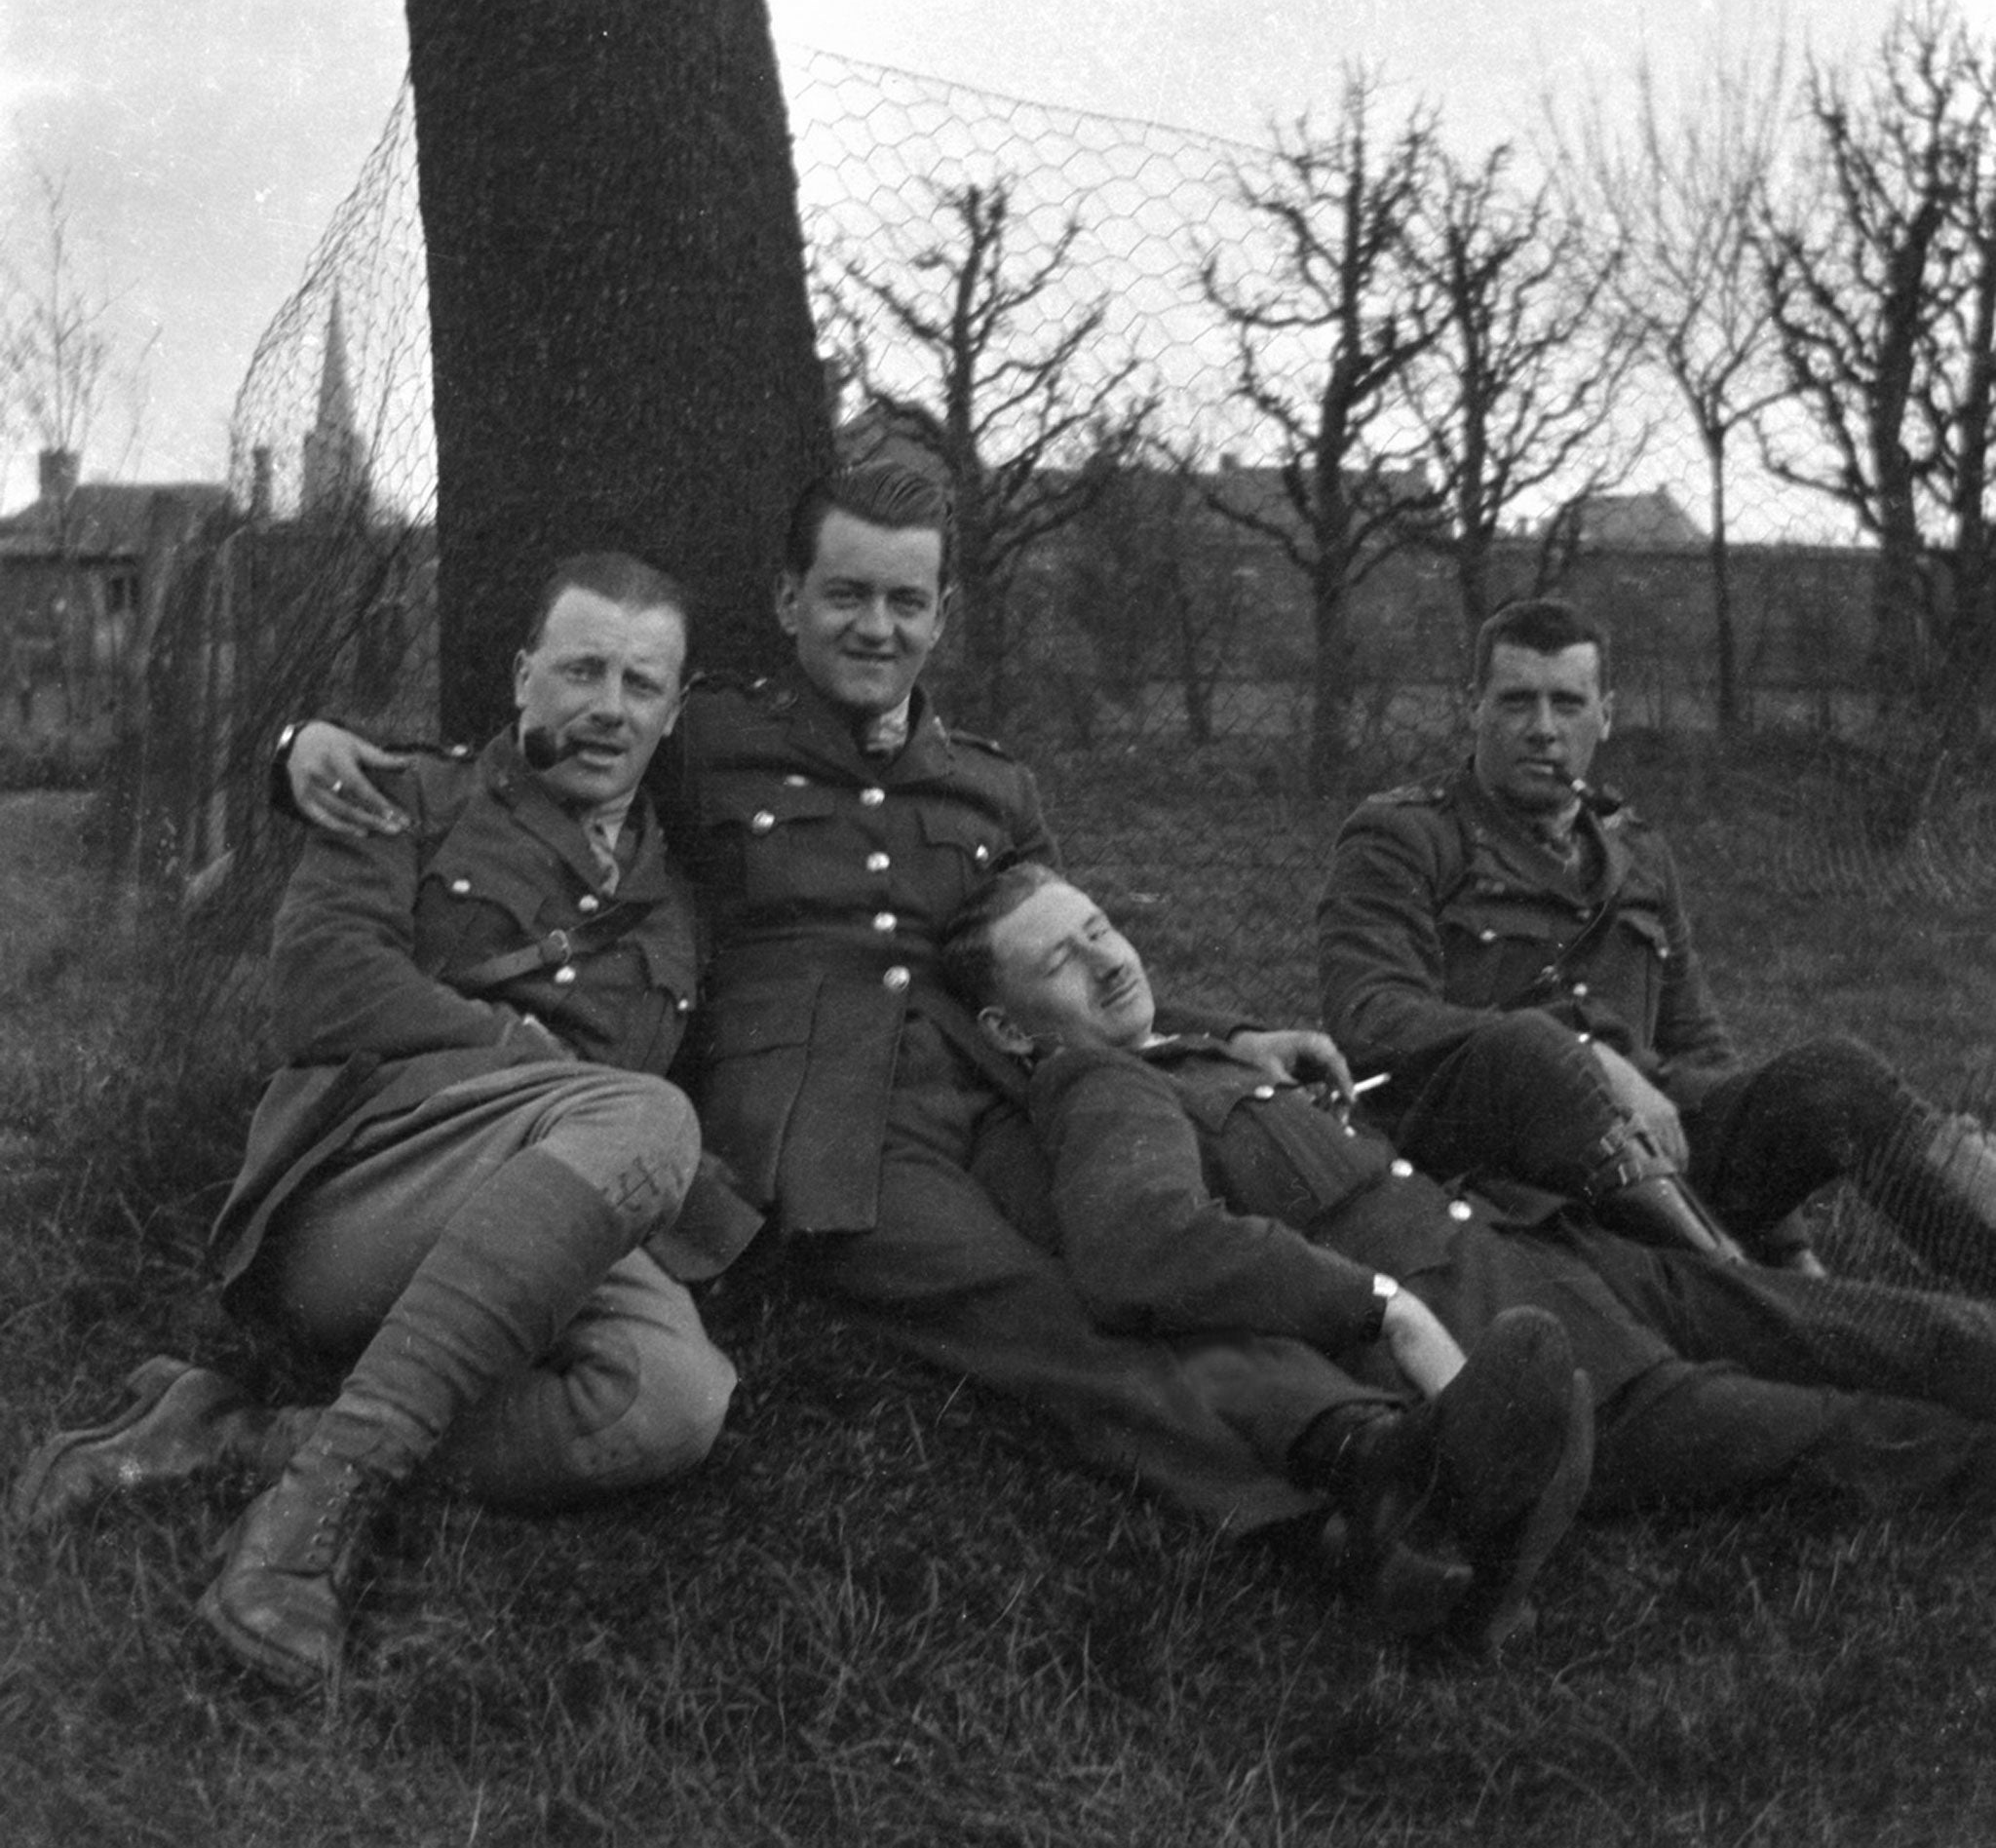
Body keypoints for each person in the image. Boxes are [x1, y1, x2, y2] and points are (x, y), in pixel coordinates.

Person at [248, 464, 1588, 1638]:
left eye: (905, 602)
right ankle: (1351, 1466)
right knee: (1037, 1306)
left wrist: (1215, 1037)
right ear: (787, 604)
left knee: (1125, 1259)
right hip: (820, 1123)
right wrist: (299, 744)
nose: (874, 628)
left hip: (997, 1082)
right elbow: (535, 755)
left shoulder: (996, 786)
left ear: (944, 614)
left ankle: (1398, 1474)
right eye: (846, 596)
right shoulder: (700, 735)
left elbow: (1061, 944)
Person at [13, 554, 750, 1689]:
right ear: (521, 676)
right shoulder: (400, 795)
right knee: (647, 1114)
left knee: (672, 1404)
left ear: (671, 707)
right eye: (582, 668)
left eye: (640, 684)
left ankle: (228, 1434)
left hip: (558, 1207)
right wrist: (514, 1052)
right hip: (366, 1190)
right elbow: (322, 988)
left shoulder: (677, 902)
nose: (609, 706)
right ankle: (307, 1526)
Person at [944, 862, 1996, 1622]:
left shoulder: (1190, 1050)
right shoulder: (1097, 1087)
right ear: (1008, 1030)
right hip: (1539, 1360)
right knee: (1877, 1431)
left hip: (1578, 1262)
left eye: (1096, 926)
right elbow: (1141, 1244)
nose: (1103, 957)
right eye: (1059, 957)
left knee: (1921, 1334)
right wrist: (1377, 1307)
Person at [1318, 596, 1996, 1286]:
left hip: (1661, 1156)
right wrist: (1582, 1055)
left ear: (1606, 712)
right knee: (1760, 1318)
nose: (1544, 729)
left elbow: (1700, 1048)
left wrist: (1787, 1242)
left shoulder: (1637, 854)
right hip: (1500, 1171)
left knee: (1836, 1077)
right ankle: (1763, 1302)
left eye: (1568, 703)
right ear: (1475, 707)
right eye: (1517, 701)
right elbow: (1372, 1017)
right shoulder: (1405, 838)